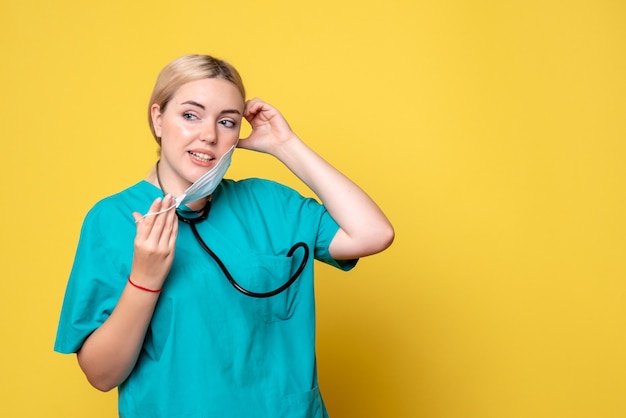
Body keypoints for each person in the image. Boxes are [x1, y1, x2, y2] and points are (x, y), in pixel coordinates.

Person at [54, 54, 394, 418]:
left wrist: (285, 144)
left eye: (227, 121)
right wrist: (145, 279)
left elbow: (374, 233)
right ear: (158, 119)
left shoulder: (269, 203)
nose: (209, 135)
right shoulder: (113, 219)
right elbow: (102, 375)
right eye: (190, 115)